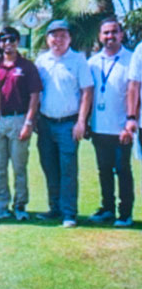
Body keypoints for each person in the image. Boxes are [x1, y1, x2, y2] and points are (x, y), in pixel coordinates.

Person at [34, 18, 93, 227]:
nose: (58, 39)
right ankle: (55, 208)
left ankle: (69, 213)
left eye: (63, 35)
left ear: (69, 38)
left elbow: (87, 91)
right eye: (54, 35)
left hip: (68, 124)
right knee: (49, 167)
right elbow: (35, 92)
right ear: (47, 38)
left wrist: (81, 122)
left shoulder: (78, 60)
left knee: (68, 168)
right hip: (45, 123)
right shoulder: (41, 61)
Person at [0, 26, 41, 221]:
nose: (7, 44)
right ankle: (0, 206)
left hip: (19, 119)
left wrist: (29, 122)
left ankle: (20, 206)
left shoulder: (27, 66)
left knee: (19, 166)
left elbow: (35, 96)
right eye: (3, 40)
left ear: (18, 42)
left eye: (11, 40)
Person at [86, 17, 134, 226]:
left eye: (114, 32)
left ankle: (125, 213)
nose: (110, 36)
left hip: (122, 127)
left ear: (121, 35)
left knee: (123, 170)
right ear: (100, 36)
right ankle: (107, 208)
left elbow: (136, 95)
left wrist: (130, 124)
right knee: (104, 170)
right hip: (99, 127)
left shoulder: (131, 60)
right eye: (105, 33)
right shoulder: (93, 62)